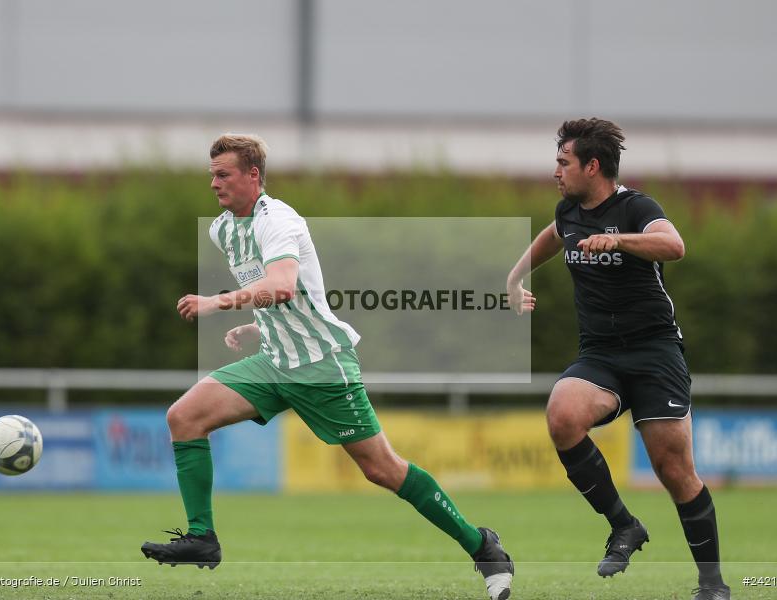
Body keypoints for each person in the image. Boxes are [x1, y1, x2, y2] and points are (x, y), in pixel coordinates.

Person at [140, 133, 514, 600]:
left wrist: (218, 302)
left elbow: (280, 286)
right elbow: (288, 296)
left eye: (224, 174)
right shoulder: (223, 229)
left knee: (382, 469)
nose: (214, 183)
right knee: (184, 417)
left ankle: (484, 548)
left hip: (321, 365)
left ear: (253, 175)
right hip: (276, 361)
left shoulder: (278, 220)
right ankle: (202, 540)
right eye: (211, 174)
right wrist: (260, 328)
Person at [505, 119, 730, 600]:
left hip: (654, 353)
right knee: (562, 416)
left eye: (563, 163)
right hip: (601, 354)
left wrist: (620, 240)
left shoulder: (636, 207)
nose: (556, 172)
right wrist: (515, 278)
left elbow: (675, 245)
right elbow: (553, 235)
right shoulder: (569, 211)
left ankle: (712, 584)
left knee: (674, 471)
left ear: (592, 166)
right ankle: (625, 526)